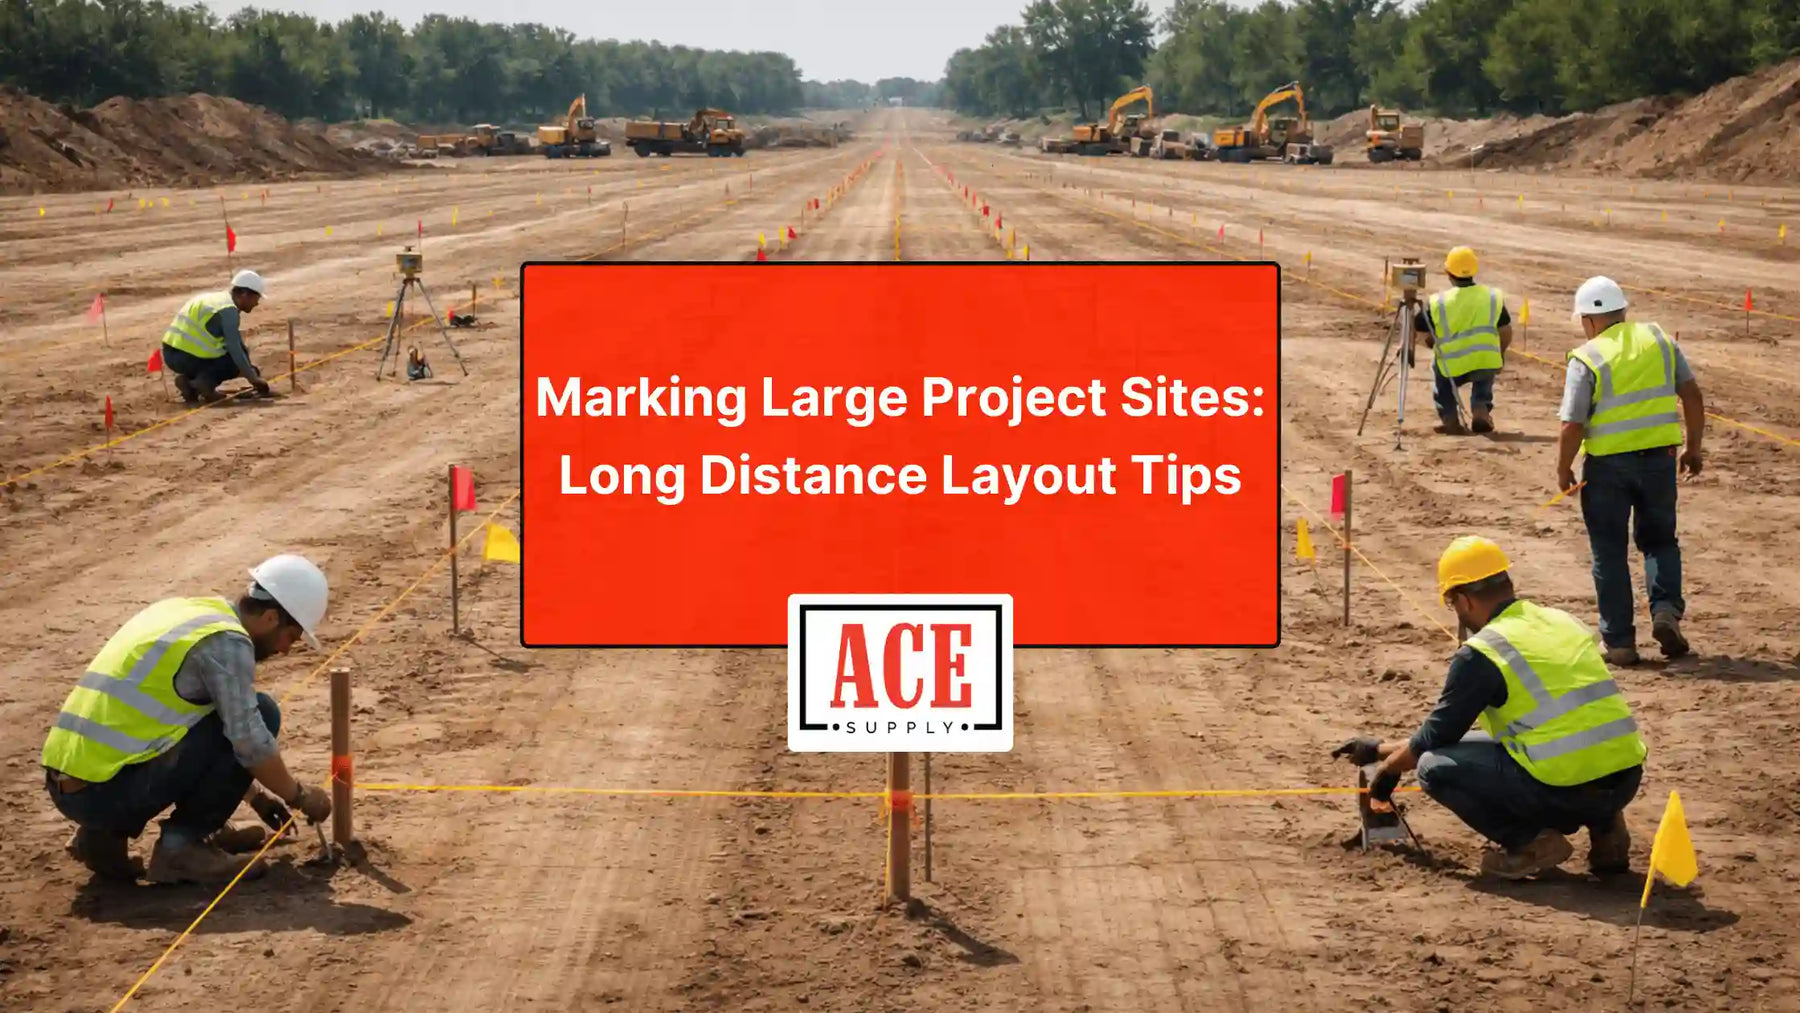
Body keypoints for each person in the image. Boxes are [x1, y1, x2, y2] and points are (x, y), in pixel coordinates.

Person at [1332, 536, 1647, 880]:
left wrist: (1390, 769)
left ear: (1464, 601)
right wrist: (1378, 749)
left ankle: (1530, 843)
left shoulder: (1485, 651)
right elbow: (1456, 733)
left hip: (1563, 790)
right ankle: (1608, 829)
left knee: (1432, 767)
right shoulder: (1559, 620)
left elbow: (1437, 737)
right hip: (1625, 779)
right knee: (1549, 746)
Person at [42, 554, 333, 885]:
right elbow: (249, 740)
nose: (286, 650)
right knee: (263, 712)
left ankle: (101, 839)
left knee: (219, 713)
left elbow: (179, 724)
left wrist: (255, 796)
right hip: (104, 795)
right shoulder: (226, 643)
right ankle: (181, 850)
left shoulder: (189, 612)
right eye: (291, 637)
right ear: (270, 618)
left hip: (73, 786)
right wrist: (299, 795)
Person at [1557, 276, 1704, 666]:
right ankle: (1666, 612)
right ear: (1623, 310)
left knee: (1608, 552)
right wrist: (1693, 448)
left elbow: (1573, 424)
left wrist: (1563, 469)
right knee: (1660, 542)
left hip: (1607, 468)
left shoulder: (1586, 356)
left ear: (1589, 319)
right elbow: (1691, 393)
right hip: (1660, 460)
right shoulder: (1658, 339)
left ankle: (1620, 643)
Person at [1417, 246, 1513, 435]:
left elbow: (1419, 326)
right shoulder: (1491, 297)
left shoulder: (1439, 301)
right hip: (1484, 361)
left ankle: (1450, 417)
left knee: (1441, 377)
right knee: (1485, 370)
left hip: (1452, 364)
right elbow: (1506, 329)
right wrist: (1500, 354)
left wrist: (1428, 341)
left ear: (1448, 272)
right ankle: (1480, 408)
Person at [160, 269, 273, 405]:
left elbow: (238, 344)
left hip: (171, 354)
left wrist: (251, 370)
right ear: (244, 294)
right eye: (256, 298)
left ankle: (188, 384)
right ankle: (204, 383)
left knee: (230, 355)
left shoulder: (215, 299)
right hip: (187, 356)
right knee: (232, 362)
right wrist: (253, 378)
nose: (257, 303)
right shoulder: (228, 311)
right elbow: (236, 350)